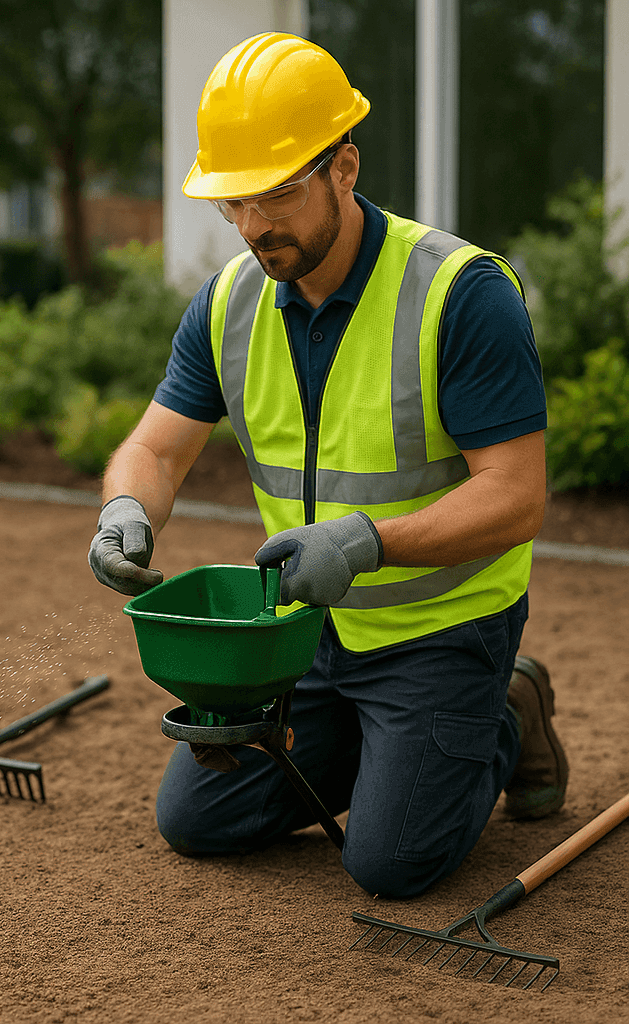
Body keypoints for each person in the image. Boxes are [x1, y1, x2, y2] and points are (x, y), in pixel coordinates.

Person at [87, 33, 566, 898]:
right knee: (197, 822)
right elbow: (154, 447)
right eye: (232, 202)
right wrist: (126, 509)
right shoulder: (229, 302)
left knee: (388, 865)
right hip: (305, 634)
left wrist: (365, 542)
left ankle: (502, 713)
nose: (252, 226)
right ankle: (379, 742)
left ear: (344, 167)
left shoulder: (461, 294)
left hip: (439, 629)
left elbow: (517, 497)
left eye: (276, 194)